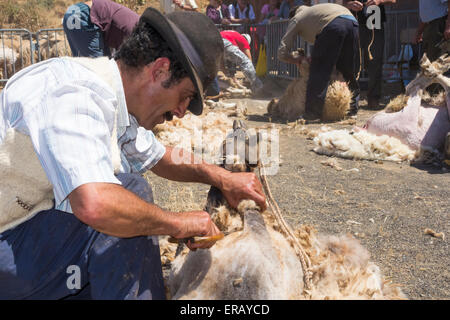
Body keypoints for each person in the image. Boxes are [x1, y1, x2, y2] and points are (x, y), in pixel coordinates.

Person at [0, 8, 266, 300]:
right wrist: (176, 222)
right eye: (185, 96)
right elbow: (95, 204)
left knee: (124, 206)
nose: (180, 112)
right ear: (160, 70)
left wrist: (222, 177)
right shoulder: (76, 93)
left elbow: (160, 155)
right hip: (8, 244)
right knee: (128, 196)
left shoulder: (117, 104)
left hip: (24, 236)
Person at [278, 4, 361, 120]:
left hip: (333, 26)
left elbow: (281, 52)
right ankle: (352, 109)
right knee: (347, 70)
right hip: (353, 23)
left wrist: (298, 59)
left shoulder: (297, 18)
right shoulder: (316, 13)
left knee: (318, 72)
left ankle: (312, 113)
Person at [344, 0, 397, 109]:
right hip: (354, 21)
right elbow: (341, 2)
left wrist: (379, 1)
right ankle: (351, 99)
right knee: (354, 62)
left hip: (375, 19)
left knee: (375, 61)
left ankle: (374, 98)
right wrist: (348, 4)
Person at [63, 0, 139, 57]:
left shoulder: (140, 26)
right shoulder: (139, 36)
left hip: (75, 12)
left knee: (87, 65)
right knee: (98, 69)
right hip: (81, 15)